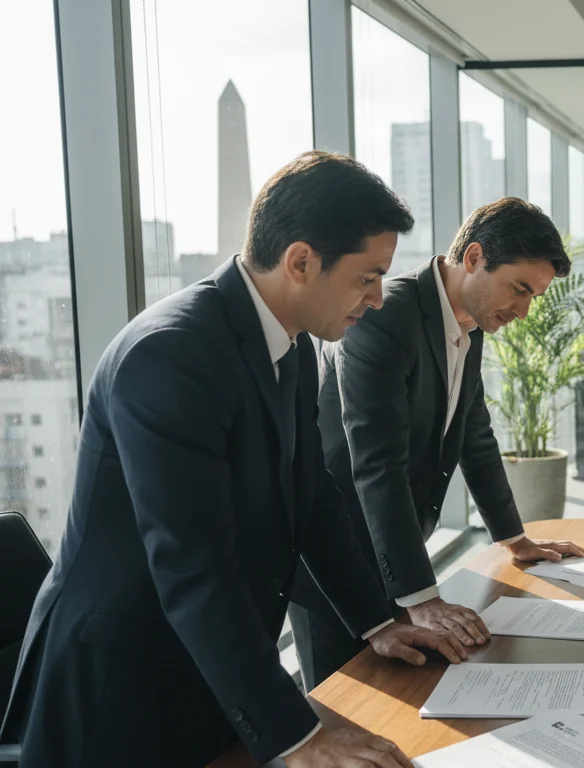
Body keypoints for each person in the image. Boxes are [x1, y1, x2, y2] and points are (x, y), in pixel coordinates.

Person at [0, 151, 462, 768]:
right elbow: (194, 568)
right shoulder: (171, 355)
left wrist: (377, 622)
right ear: (300, 262)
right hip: (121, 690)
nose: (378, 299)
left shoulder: (291, 345)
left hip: (209, 671)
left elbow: (314, 498)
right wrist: (298, 736)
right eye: (366, 276)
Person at [292, 197, 584, 691]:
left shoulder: (470, 325)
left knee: (409, 698)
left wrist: (514, 538)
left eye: (534, 296)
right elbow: (377, 463)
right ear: (473, 258)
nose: (524, 310)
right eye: (519, 289)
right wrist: (421, 596)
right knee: (344, 709)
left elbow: (474, 435)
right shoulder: (385, 315)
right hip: (336, 559)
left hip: (396, 550)